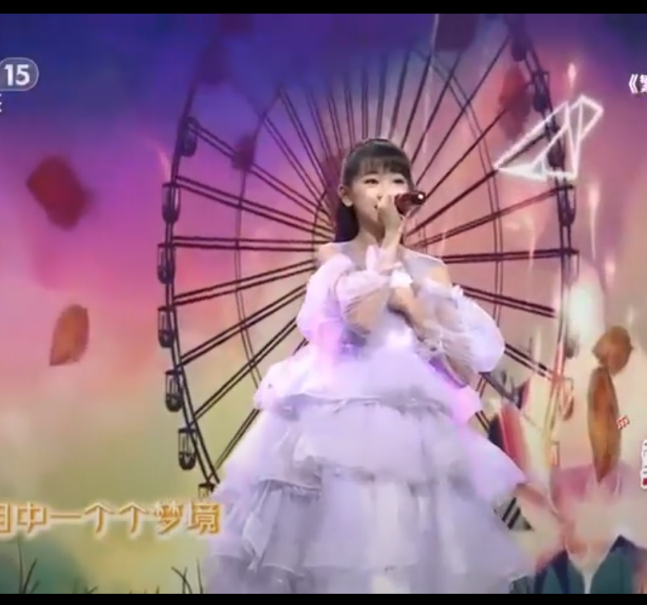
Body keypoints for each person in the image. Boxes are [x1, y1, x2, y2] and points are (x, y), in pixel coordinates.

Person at [204, 138, 530, 594]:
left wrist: (415, 309)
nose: (385, 191)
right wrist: (391, 243)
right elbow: (360, 320)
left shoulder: (432, 270)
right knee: (342, 547)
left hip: (415, 424)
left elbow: (461, 371)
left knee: (414, 550)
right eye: (372, 181)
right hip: (338, 415)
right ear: (346, 194)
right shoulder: (334, 257)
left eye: (397, 180)